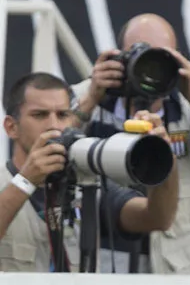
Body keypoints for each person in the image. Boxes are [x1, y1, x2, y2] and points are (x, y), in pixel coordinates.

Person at [74, 13, 190, 273]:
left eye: (161, 56)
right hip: (102, 256)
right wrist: (92, 97)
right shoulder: (88, 95)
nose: (147, 64)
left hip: (173, 263)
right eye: (137, 53)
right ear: (119, 55)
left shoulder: (185, 108)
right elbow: (51, 143)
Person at [0, 73, 179, 272]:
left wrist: (163, 156)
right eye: (39, 115)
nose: (53, 125)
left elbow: (157, 218)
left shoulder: (87, 183)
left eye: (62, 115)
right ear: (11, 127)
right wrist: (26, 180)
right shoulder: (4, 182)